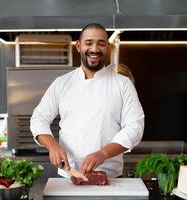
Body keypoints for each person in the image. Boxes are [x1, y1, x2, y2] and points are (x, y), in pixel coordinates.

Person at [30, 23, 144, 178]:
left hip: (109, 178)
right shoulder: (62, 83)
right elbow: (38, 119)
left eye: (101, 44)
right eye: (89, 43)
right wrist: (53, 146)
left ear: (108, 47)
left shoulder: (123, 84)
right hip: (68, 176)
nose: (95, 49)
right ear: (78, 46)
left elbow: (135, 127)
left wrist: (103, 154)